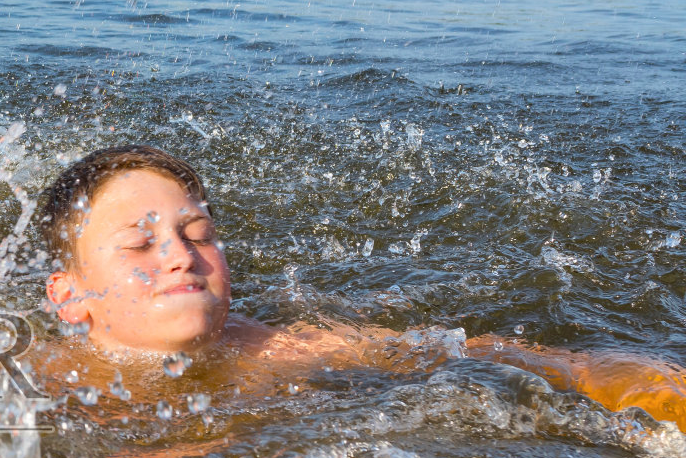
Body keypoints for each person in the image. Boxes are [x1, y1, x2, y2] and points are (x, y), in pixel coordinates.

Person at [40, 144, 686, 429]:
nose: (181, 255)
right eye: (139, 243)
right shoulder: (39, 375)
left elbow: (466, 350)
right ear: (68, 295)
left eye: (199, 233)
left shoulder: (276, 352)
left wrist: (637, 382)